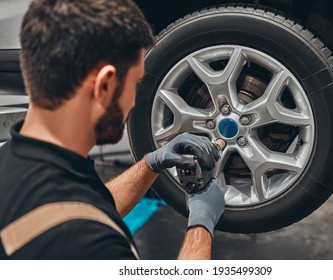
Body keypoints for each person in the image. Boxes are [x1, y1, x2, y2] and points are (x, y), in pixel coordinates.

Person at [0, 0, 225, 260]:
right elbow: (79, 222)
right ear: (105, 85)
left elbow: (78, 208)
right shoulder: (97, 246)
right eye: (135, 84)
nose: (133, 102)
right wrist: (201, 224)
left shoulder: (13, 162)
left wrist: (151, 163)